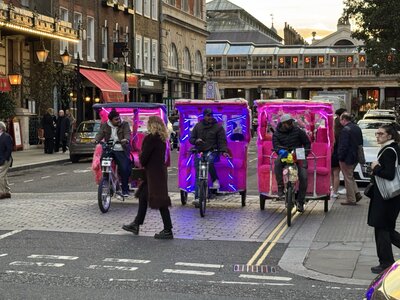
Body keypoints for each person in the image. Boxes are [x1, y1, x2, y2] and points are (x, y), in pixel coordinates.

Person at [122, 116, 173, 239]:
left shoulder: (150, 139)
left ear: (152, 125)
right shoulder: (162, 139)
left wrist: (141, 152)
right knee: (143, 196)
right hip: (158, 173)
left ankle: (168, 230)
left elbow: (144, 159)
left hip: (153, 174)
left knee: (161, 201)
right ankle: (136, 223)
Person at [367, 124, 400, 274]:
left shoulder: (389, 151)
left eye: (381, 134)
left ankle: (386, 263)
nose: (377, 136)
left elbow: (389, 174)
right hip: (391, 197)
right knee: (385, 229)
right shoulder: (393, 149)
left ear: (389, 136)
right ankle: (386, 262)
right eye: (377, 133)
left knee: (382, 229)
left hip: (386, 197)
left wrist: (375, 168)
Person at [189, 108, 228, 205]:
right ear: (204, 116)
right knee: (199, 175)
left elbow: (222, 141)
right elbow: (191, 138)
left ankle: (215, 179)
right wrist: (195, 141)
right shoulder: (198, 126)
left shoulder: (218, 127)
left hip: (213, 151)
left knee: (209, 160)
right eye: (207, 115)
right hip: (200, 151)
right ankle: (198, 197)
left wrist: (223, 151)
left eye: (211, 115)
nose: (209, 117)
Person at [272, 113, 311, 213]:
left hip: (298, 154)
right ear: (283, 124)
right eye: (288, 123)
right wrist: (279, 151)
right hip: (284, 154)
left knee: (303, 176)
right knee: (277, 163)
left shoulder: (298, 131)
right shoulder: (277, 133)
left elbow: (307, 143)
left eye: (291, 122)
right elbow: (276, 146)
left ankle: (300, 202)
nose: (291, 124)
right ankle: (280, 186)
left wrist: (305, 153)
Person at [95, 109, 131, 197]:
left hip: (120, 149)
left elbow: (127, 133)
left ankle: (125, 189)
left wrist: (126, 139)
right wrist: (96, 139)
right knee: (103, 163)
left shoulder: (124, 124)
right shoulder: (105, 125)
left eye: (119, 118)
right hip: (109, 148)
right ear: (110, 120)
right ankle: (107, 182)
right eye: (116, 119)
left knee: (124, 169)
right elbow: (100, 134)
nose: (118, 120)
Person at [337, 112, 363, 205]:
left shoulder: (345, 130)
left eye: (340, 119)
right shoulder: (357, 128)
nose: (340, 121)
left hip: (347, 157)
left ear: (344, 119)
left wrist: (340, 157)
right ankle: (356, 193)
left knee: (347, 177)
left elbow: (343, 146)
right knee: (350, 176)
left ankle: (351, 199)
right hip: (355, 156)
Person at [331, 108, 347, 198]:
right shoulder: (342, 129)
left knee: (332, 173)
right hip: (337, 152)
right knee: (336, 173)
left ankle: (333, 189)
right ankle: (335, 191)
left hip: (332, 152)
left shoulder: (333, 129)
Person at [0, 121, 13, 199]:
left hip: (5, 160)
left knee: (0, 175)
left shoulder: (7, 136)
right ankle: (7, 192)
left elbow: (9, 149)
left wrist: (5, 159)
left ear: (1, 129)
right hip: (1, 159)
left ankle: (1, 192)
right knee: (4, 176)